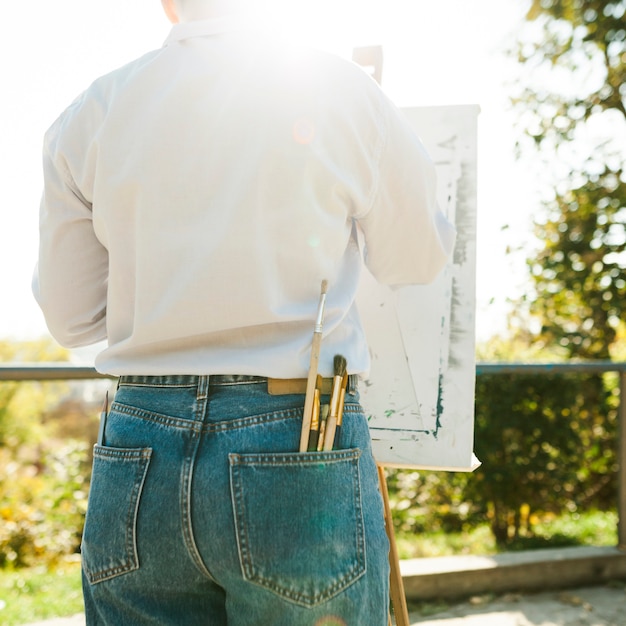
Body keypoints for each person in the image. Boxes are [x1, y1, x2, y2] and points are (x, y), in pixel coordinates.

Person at [33, 0, 455, 624]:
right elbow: (416, 259)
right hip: (297, 428)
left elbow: (72, 317)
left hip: (139, 442)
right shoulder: (341, 90)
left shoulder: (92, 111)